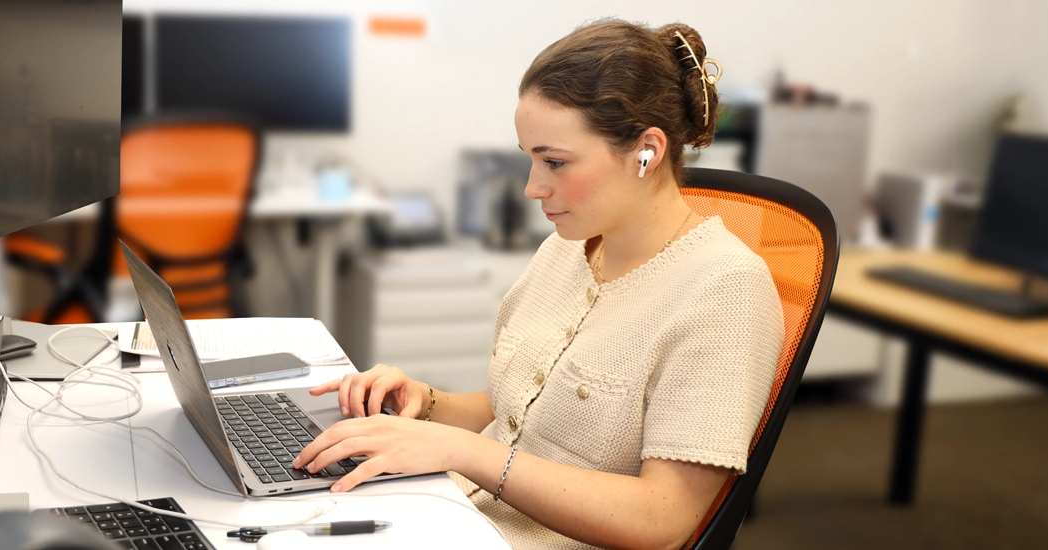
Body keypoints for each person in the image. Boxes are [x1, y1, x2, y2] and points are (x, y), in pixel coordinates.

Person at [292, 19, 784, 550]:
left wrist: (462, 452)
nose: (532, 187)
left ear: (647, 152)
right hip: (457, 515)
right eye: (531, 159)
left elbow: (663, 520)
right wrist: (423, 403)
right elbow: (523, 411)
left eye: (554, 162)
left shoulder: (726, 291)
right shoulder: (568, 247)